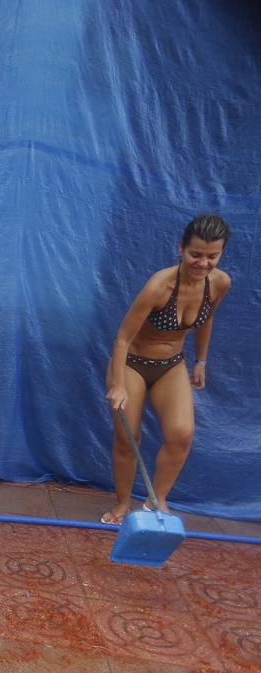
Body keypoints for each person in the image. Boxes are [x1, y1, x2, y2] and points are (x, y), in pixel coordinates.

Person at [102, 214, 232, 524]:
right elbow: (122, 338)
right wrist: (118, 384)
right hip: (131, 363)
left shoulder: (220, 283)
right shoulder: (159, 286)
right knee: (127, 437)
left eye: (212, 256)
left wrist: (201, 361)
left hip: (171, 365)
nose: (203, 263)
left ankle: (155, 500)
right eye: (195, 254)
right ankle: (122, 504)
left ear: (221, 254)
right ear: (181, 248)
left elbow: (206, 320)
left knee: (181, 434)